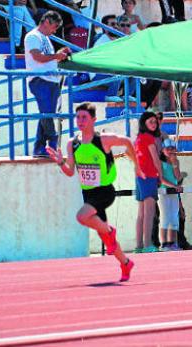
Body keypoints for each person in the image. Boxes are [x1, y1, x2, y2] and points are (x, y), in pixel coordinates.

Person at [45, 103, 138, 282]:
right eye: (78, 117)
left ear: (94, 120)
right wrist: (59, 162)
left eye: (84, 117)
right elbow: (70, 171)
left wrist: (137, 165)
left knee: (81, 217)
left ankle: (111, 232)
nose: (80, 121)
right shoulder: (73, 144)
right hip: (88, 193)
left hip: (104, 191)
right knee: (104, 236)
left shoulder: (103, 140)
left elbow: (126, 141)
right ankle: (125, 263)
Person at [24, 11, 71, 157]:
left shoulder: (44, 38)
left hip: (50, 80)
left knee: (46, 114)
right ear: (47, 22)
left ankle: (40, 148)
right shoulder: (33, 36)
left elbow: (46, 58)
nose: (55, 30)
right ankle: (52, 144)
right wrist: (56, 56)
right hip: (40, 80)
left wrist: (59, 54)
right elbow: (37, 57)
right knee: (47, 114)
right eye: (55, 26)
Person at [135, 112, 163, 253]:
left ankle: (139, 246)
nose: (154, 124)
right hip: (149, 176)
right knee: (149, 212)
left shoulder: (139, 138)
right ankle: (147, 245)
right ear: (144, 122)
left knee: (141, 213)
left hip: (139, 176)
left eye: (155, 122)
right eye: (150, 121)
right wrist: (161, 176)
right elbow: (155, 159)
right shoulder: (148, 138)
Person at [158, 138, 183, 251]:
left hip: (173, 192)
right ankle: (163, 243)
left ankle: (173, 242)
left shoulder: (175, 162)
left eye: (173, 148)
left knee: (174, 217)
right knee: (165, 217)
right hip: (163, 192)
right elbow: (161, 179)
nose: (171, 150)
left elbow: (178, 177)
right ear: (163, 150)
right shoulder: (160, 162)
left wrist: (174, 164)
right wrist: (174, 186)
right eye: (168, 148)